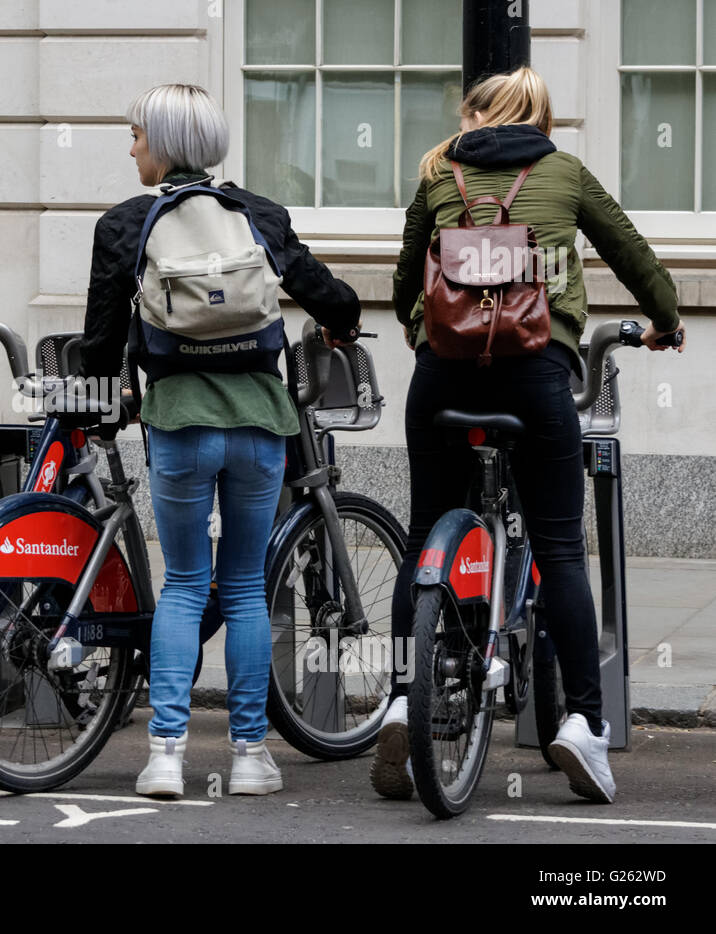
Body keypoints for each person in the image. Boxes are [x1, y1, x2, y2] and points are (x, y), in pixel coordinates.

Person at [375, 67, 685, 804]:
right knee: (558, 547)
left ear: (478, 116)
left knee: (426, 536)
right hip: (536, 373)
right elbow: (633, 255)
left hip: (442, 377)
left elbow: (401, 284)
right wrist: (667, 321)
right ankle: (582, 722)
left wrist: (425, 331)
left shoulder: (440, 173)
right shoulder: (564, 172)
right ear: (540, 119)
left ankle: (398, 698)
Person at [80, 84, 361, 797]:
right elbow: (334, 298)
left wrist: (109, 387)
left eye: (138, 132)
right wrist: (340, 327)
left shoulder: (124, 225)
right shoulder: (258, 214)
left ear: (165, 143)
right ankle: (248, 757)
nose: (132, 144)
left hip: (176, 424)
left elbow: (98, 346)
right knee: (241, 589)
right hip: (259, 427)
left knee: (181, 585)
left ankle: (166, 755)